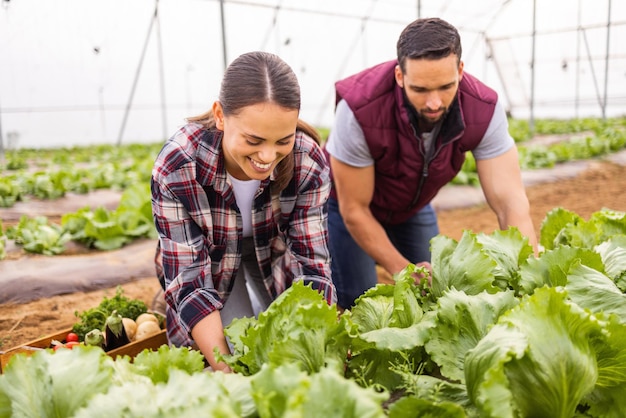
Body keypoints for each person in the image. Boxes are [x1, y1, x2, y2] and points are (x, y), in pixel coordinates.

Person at [324, 17, 538, 310]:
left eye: (445, 87)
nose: (434, 102)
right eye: (421, 90)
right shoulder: (360, 108)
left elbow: (510, 201)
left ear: (460, 71)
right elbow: (355, 210)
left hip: (411, 206)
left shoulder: (484, 109)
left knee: (438, 290)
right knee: (360, 300)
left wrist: (527, 269)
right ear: (400, 76)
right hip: (347, 207)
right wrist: (402, 269)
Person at [151, 51, 336, 372]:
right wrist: (228, 370)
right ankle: (166, 301)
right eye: (253, 139)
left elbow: (312, 263)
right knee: (234, 352)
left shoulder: (308, 160)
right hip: (212, 261)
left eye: (283, 140)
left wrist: (319, 345)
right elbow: (191, 279)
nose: (267, 156)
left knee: (285, 347)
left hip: (274, 254)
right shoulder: (179, 164)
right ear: (220, 116)